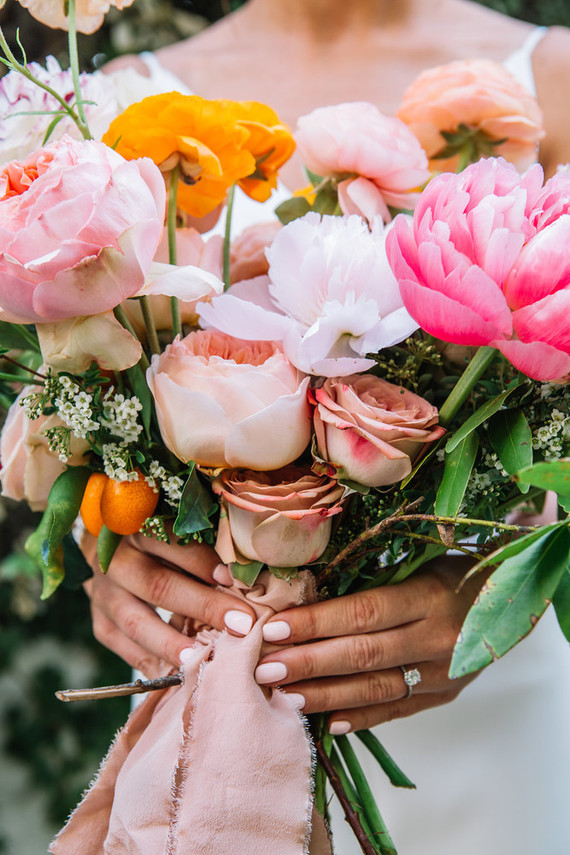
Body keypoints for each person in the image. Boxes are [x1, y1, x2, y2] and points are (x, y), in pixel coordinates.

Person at [87, 2, 570, 852]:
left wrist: (512, 581)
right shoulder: (123, 104)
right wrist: (111, 555)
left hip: (489, 710)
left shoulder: (552, 82)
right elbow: (77, 412)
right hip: (206, 698)